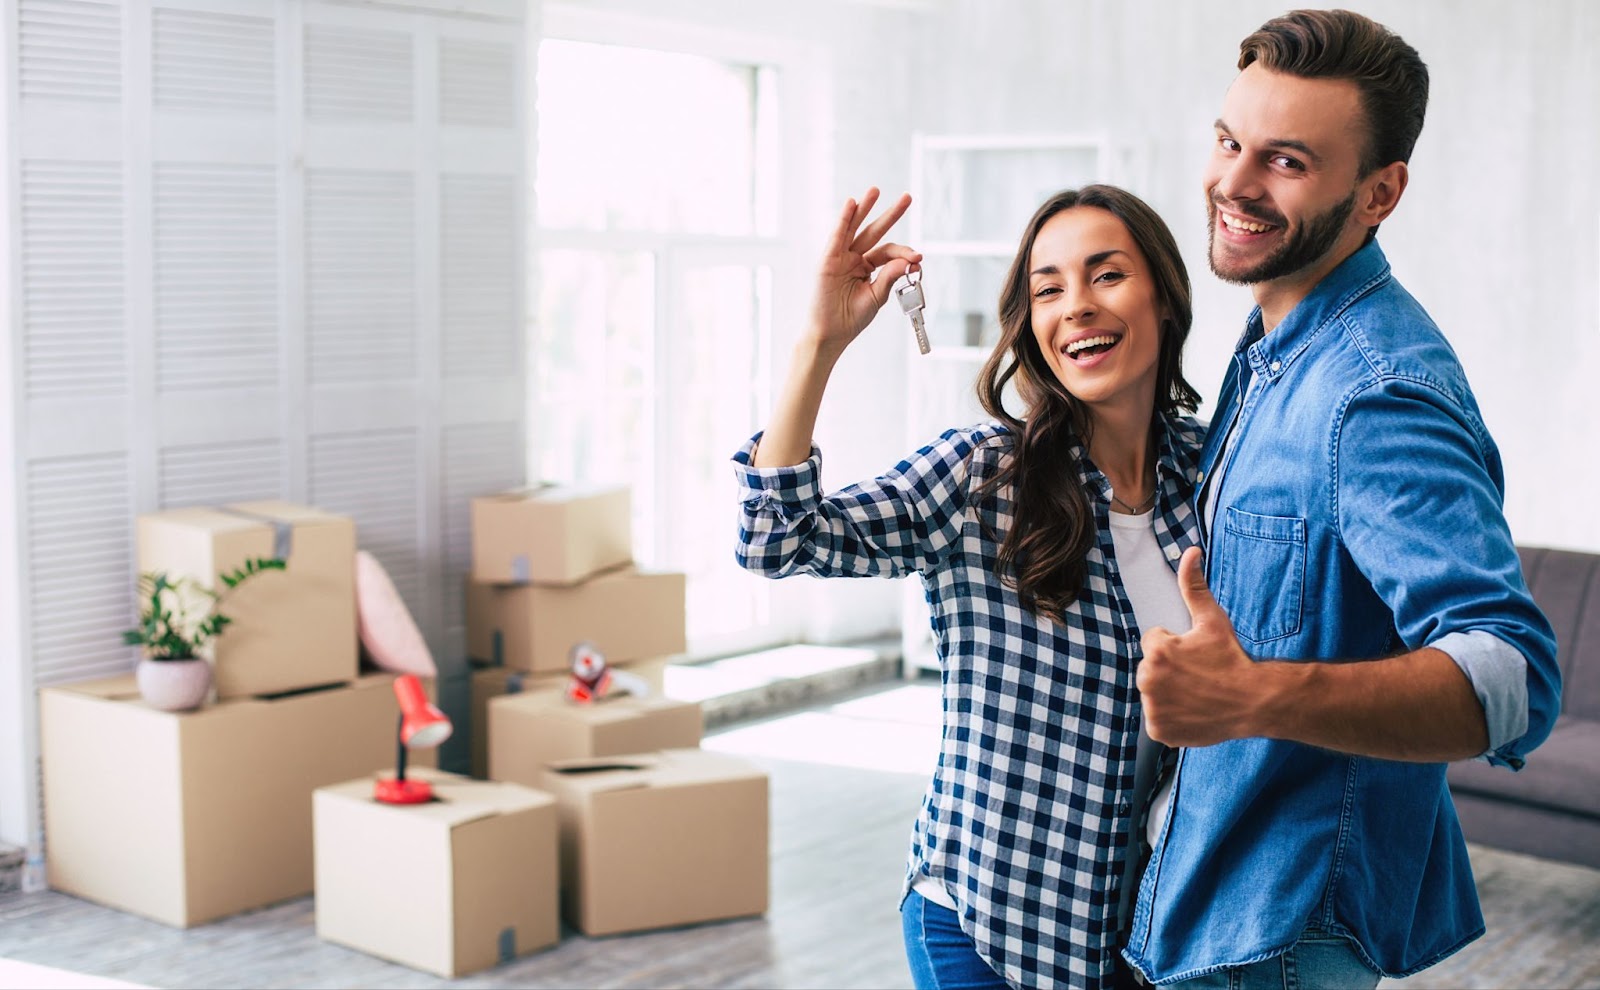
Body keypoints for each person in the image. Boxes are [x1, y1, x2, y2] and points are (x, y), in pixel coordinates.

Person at [1121, 10, 1562, 989]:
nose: (1231, 185)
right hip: (1214, 896)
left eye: (1283, 161)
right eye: (1229, 142)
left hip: (1275, 937)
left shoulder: (1373, 392)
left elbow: (1512, 675)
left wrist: (1252, 696)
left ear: (1379, 193)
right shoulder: (1277, 343)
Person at [733, 182, 1204, 990]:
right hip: (985, 927)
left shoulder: (1211, 474)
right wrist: (820, 341)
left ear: (1164, 297)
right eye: (1047, 289)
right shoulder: (983, 474)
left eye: (1106, 275)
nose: (1076, 307)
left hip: (1145, 937)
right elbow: (779, 539)